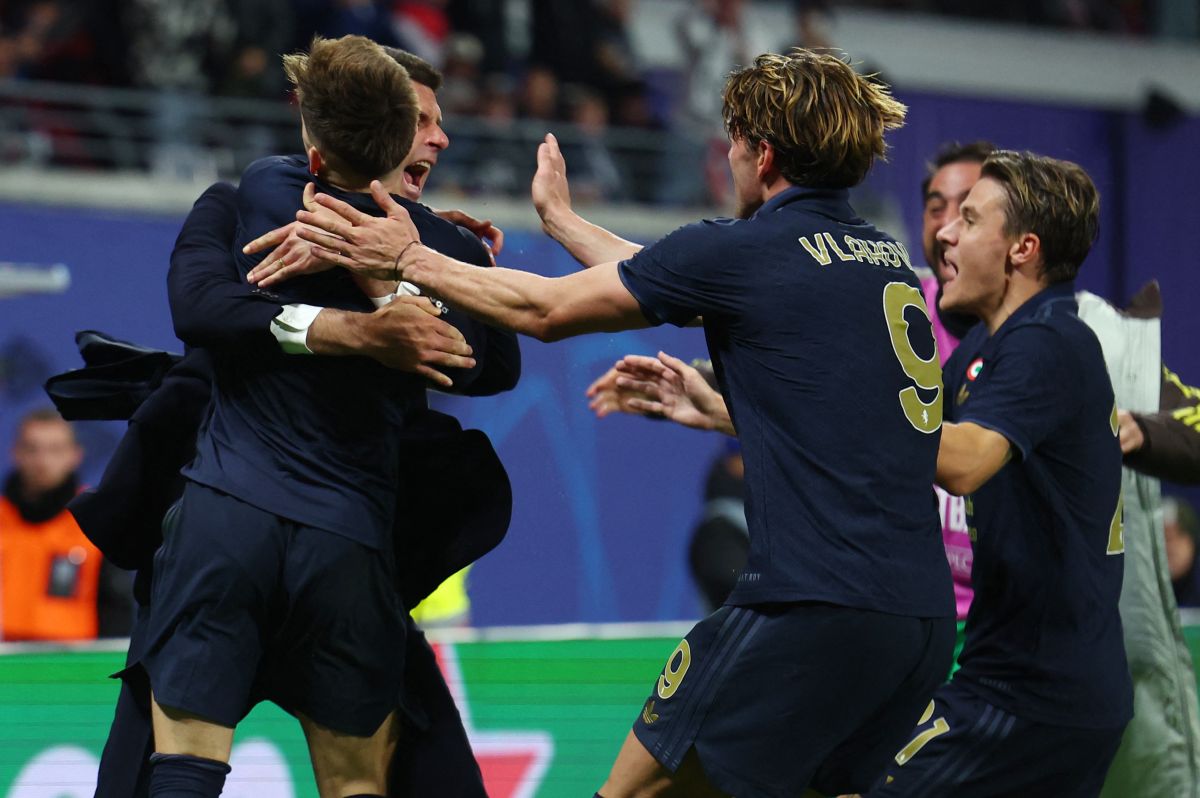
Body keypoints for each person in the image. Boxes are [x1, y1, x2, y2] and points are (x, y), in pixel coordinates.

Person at [293, 49, 956, 798]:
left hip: (807, 608)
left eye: (734, 144)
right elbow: (677, 272)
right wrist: (562, 221)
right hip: (920, 626)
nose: (729, 159)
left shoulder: (749, 253)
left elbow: (545, 312)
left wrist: (412, 256)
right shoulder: (885, 262)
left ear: (763, 154)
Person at [132, 36, 517, 798]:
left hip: (223, 523)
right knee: (354, 784)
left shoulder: (264, 192)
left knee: (184, 762)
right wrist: (421, 277)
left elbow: (203, 309)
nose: (439, 137)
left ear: (314, 133)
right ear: (397, 133)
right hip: (345, 544)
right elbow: (494, 364)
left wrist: (377, 267)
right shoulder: (438, 245)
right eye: (426, 120)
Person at [0, 408, 130, 640]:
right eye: (32, 449)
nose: (43, 461)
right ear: (15, 453)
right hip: (5, 660)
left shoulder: (95, 518)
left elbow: (117, 610)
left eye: (55, 450)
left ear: (75, 455)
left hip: (73, 664)